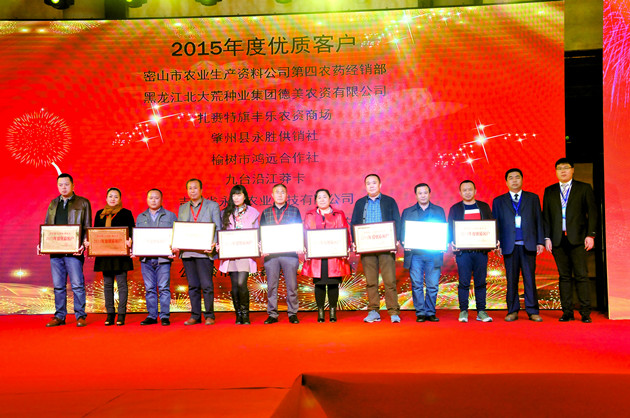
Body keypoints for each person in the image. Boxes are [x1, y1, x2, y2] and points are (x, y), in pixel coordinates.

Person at [543, 158, 598, 323]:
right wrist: (547, 237)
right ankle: (567, 312)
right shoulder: (550, 190)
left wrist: (591, 235)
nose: (563, 171)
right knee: (564, 277)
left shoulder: (584, 188)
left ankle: (585, 313)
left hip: (579, 238)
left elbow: (592, 212)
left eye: (566, 168)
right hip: (557, 239)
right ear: (555, 171)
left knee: (581, 276)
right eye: (559, 168)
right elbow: (546, 216)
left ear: (573, 170)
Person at [492, 168, 545, 322]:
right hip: (509, 246)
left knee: (530, 279)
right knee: (511, 279)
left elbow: (539, 220)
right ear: (506, 182)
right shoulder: (499, 201)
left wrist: (540, 241)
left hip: (529, 244)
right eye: (511, 178)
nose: (514, 180)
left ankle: (533, 311)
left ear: (522, 179)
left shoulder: (533, 198)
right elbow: (496, 224)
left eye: (517, 177)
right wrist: (496, 243)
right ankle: (512, 310)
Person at [42, 173, 92, 327]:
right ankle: (59, 316)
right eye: (60, 185)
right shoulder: (53, 203)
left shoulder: (83, 202)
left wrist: (84, 243)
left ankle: (80, 316)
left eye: (66, 184)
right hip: (55, 251)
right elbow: (47, 226)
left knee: (77, 285)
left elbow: (87, 226)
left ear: (73, 185)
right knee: (58, 286)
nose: (63, 187)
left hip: (74, 251)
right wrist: (42, 243)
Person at [351, 174, 402, 323]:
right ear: (365, 186)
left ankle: (393, 311)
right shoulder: (360, 203)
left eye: (374, 183)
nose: (371, 185)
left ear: (380, 184)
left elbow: (397, 220)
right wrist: (356, 241)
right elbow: (354, 222)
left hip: (386, 246)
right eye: (368, 183)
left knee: (390, 281)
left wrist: (396, 240)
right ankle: (373, 311)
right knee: (371, 281)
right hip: (367, 247)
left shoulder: (389, 201)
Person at [447, 180, 494, 323]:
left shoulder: (484, 207)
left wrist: (493, 240)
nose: (467, 192)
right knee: (464, 282)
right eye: (464, 190)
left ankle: (481, 311)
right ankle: (463, 311)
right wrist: (451, 242)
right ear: (460, 192)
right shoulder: (455, 208)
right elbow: (450, 228)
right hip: (463, 253)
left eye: (470, 189)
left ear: (475, 191)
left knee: (481, 282)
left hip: (481, 252)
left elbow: (491, 226)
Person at [175, 178, 221, 325]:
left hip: (205, 252)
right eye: (190, 188)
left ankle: (209, 315)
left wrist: (214, 243)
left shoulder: (212, 206)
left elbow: (218, 227)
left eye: (195, 188)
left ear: (201, 190)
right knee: (193, 285)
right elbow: (179, 229)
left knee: (207, 285)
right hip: (188, 252)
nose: (192, 190)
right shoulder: (182, 208)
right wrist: (176, 243)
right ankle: (195, 315)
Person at [302, 189, 352, 323]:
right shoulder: (310, 215)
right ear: (315, 200)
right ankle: (320, 312)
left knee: (333, 283)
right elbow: (305, 233)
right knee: (319, 284)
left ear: (330, 199)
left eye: (325, 197)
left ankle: (333, 311)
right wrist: (305, 247)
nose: (322, 199)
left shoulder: (339, 214)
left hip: (334, 256)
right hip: (317, 257)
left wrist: (346, 248)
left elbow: (345, 232)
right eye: (319, 197)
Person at [88, 188, 135, 326]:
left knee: (122, 285)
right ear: (106, 198)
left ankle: (121, 314)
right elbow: (95, 233)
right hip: (105, 255)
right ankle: (110, 314)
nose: (113, 199)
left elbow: (132, 231)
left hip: (121, 255)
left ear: (120, 199)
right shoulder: (100, 214)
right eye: (110, 196)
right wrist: (90, 242)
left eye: (116, 196)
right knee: (107, 285)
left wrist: (130, 240)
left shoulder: (126, 213)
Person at [400, 183, 446, 322]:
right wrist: (405, 242)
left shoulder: (439, 211)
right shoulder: (408, 212)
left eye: (425, 192)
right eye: (420, 193)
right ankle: (420, 312)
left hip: (434, 254)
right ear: (416, 195)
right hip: (415, 255)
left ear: (430, 194)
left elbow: (444, 231)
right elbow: (402, 232)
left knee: (433, 285)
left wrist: (443, 242)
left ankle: (430, 312)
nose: (423, 195)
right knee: (417, 285)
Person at [260, 183, 302, 324]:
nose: (279, 194)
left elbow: (299, 230)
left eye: (282, 192)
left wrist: (299, 244)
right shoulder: (266, 212)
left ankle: (292, 313)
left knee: (292, 285)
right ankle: (272, 314)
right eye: (277, 192)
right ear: (272, 195)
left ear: (287, 194)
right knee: (272, 286)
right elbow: (262, 232)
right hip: (271, 255)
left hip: (290, 254)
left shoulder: (294, 210)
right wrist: (262, 246)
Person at [218, 185, 260, 325]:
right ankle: (239, 315)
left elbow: (256, 232)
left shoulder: (253, 212)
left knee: (242, 283)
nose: (236, 198)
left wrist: (257, 244)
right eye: (234, 195)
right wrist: (220, 244)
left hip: (246, 253)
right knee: (235, 285)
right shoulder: (225, 213)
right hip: (231, 253)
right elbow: (222, 233)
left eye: (239, 195)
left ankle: (245, 314)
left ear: (245, 196)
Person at [136, 188, 177, 326]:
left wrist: (175, 247)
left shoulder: (170, 216)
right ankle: (152, 316)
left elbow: (176, 235)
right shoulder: (140, 217)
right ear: (147, 199)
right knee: (149, 288)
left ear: (162, 199)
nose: (153, 200)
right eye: (151, 198)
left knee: (164, 287)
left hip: (163, 259)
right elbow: (138, 237)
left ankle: (165, 316)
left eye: (156, 198)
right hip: (146, 259)